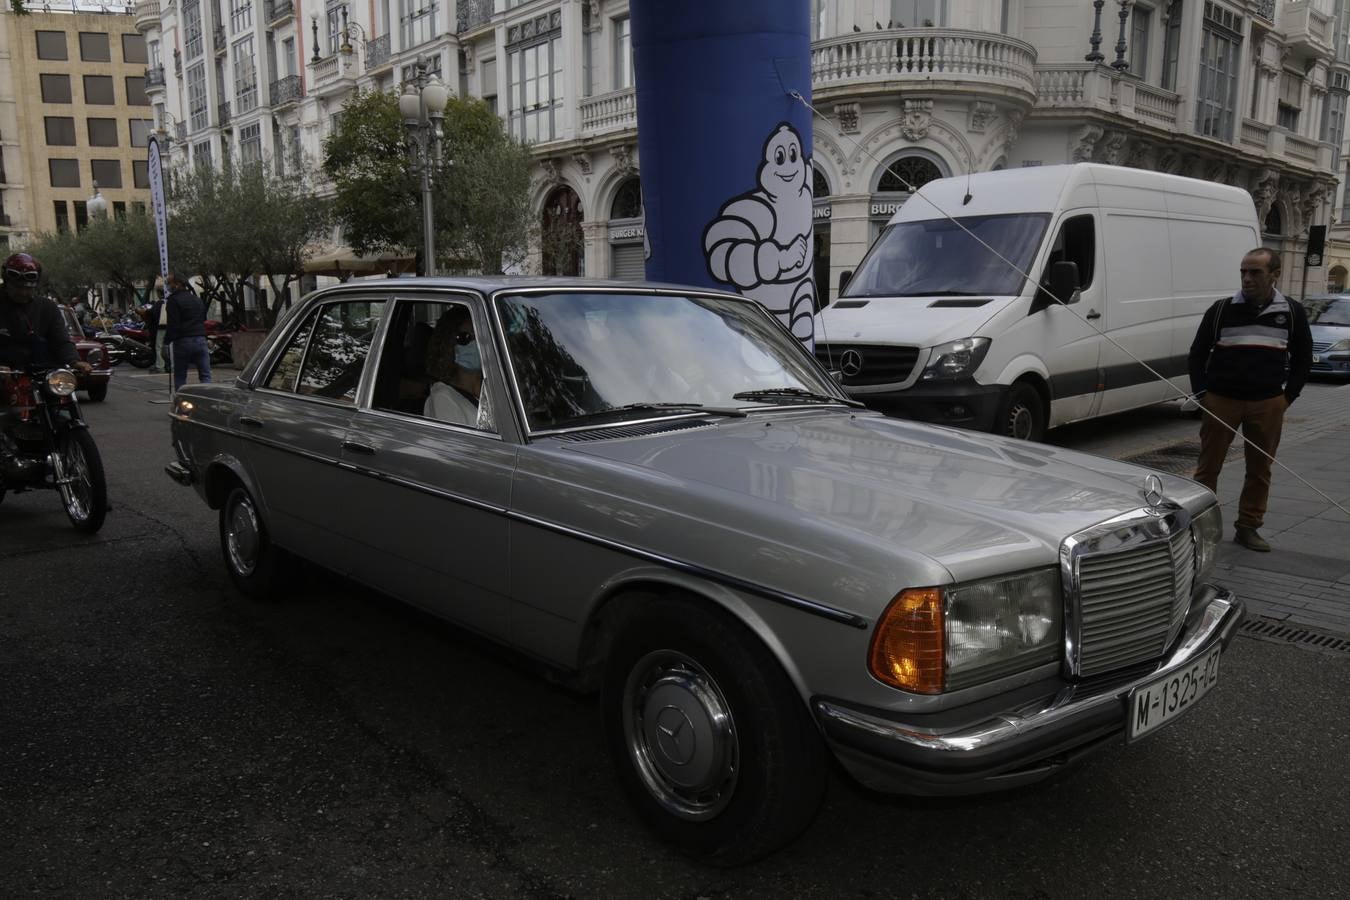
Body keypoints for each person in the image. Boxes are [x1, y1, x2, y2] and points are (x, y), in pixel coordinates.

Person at [1188, 247, 1312, 553]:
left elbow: (1303, 359)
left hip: (1267, 403)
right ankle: (1200, 527)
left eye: (1255, 272)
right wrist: (1203, 394)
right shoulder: (1221, 310)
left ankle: (1248, 527)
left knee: (1260, 469)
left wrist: (1287, 398)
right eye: (1243, 271)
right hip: (1221, 400)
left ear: (1275, 275)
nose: (1247, 278)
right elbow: (1197, 355)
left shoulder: (1292, 313)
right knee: (1208, 467)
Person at [0, 252, 92, 375]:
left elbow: (61, 339)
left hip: (41, 373)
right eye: (17, 287)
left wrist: (74, 361)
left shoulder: (47, 307)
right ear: (6, 284)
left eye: (28, 288)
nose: (23, 293)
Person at [422, 306, 485, 428]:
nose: (475, 342)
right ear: (447, 344)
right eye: (464, 338)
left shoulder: (496, 390)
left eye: (480, 335)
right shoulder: (443, 399)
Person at [164, 271, 211, 390]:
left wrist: (166, 342)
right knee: (205, 375)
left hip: (183, 341)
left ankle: (181, 402)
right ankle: (208, 399)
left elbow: (173, 325)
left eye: (169, 283)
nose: (168, 286)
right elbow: (203, 318)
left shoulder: (173, 300)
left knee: (180, 375)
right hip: (200, 339)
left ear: (178, 283)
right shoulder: (196, 299)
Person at [141, 291, 165, 373]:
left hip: (160, 328)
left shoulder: (159, 304)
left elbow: (151, 313)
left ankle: (160, 366)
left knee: (158, 348)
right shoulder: (172, 301)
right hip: (172, 328)